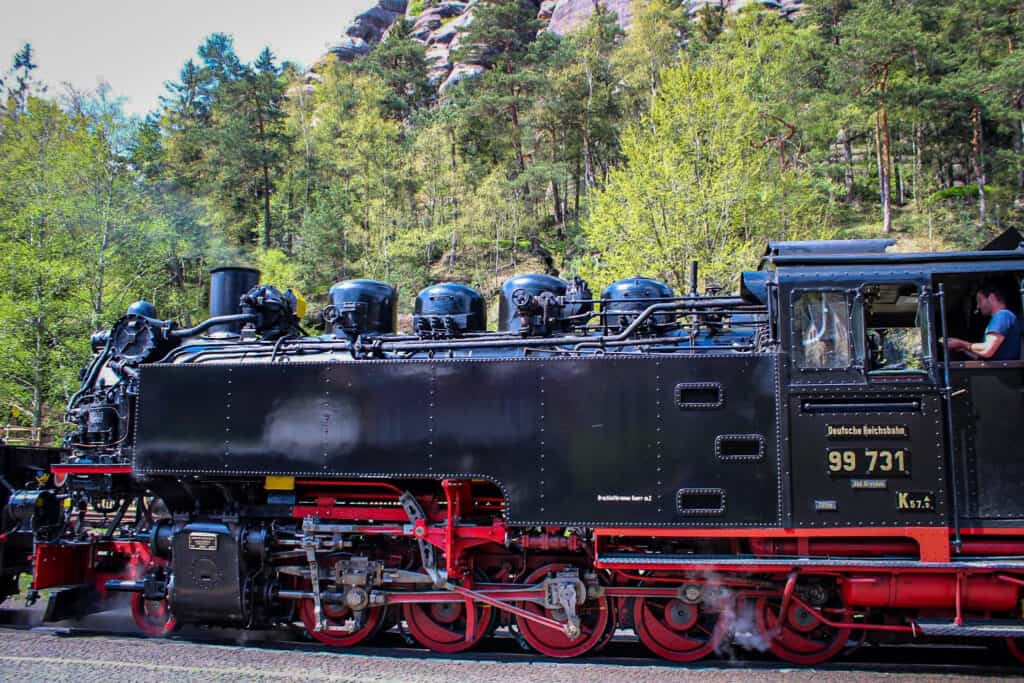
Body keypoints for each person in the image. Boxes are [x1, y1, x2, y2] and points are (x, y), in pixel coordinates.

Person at [947, 282, 1021, 361]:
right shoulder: (1003, 317)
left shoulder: (1002, 315)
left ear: (991, 297)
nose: (978, 306)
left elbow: (987, 350)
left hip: (1001, 372)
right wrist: (963, 348)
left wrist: (961, 343)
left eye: (980, 301)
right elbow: (984, 357)